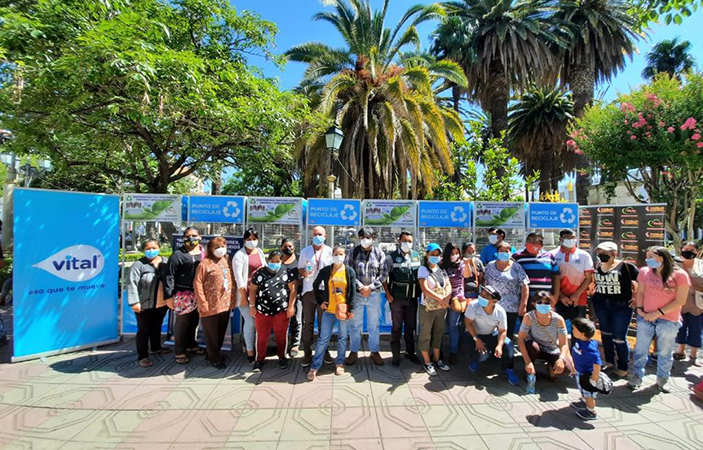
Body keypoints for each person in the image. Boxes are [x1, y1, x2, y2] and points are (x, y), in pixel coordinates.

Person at [628, 246, 690, 393]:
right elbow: (641, 292)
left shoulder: (680, 275)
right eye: (647, 256)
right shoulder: (644, 272)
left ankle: (662, 379)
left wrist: (658, 313)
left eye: (651, 256)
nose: (648, 259)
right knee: (641, 350)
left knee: (664, 351)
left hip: (668, 319)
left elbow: (680, 300)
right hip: (645, 317)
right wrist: (640, 310)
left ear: (662, 257)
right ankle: (637, 376)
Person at [307, 246, 357, 380]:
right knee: (323, 338)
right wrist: (320, 301)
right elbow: (315, 285)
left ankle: (339, 362)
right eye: (336, 254)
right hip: (329, 310)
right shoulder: (326, 270)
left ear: (345, 256)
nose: (338, 256)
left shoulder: (349, 271)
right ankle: (315, 366)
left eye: (341, 254)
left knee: (342, 337)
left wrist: (351, 309)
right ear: (332, 255)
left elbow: (352, 290)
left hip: (343, 310)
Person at [591, 242, 639, 379]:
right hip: (601, 303)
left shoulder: (627, 267)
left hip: (621, 306)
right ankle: (609, 361)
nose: (601, 255)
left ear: (614, 253)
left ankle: (623, 366)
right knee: (605, 333)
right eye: (599, 252)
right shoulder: (597, 266)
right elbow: (593, 280)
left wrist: (636, 298)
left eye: (604, 253)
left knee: (618, 337)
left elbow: (640, 282)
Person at [346, 227, 389, 366]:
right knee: (354, 325)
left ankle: (374, 351)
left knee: (373, 325)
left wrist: (370, 288)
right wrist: (360, 287)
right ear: (359, 238)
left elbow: (383, 274)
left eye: (368, 237)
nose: (365, 239)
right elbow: (348, 272)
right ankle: (353, 351)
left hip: (374, 294)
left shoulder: (380, 253)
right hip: (357, 294)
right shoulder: (353, 252)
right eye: (362, 237)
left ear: (374, 238)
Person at [249, 250, 297, 372]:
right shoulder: (260, 273)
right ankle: (259, 360)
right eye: (272, 261)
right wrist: (252, 306)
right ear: (268, 260)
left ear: (281, 261)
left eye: (277, 261)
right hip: (262, 312)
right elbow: (253, 289)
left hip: (281, 311)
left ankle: (282, 357)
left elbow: (293, 290)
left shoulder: (287, 272)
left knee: (281, 336)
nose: (274, 263)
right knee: (261, 336)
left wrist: (291, 306)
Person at [518, 291, 574, 394]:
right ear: (534, 304)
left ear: (552, 304)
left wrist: (561, 359)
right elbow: (520, 339)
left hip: (552, 349)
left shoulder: (558, 319)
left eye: (547, 303)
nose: (543, 305)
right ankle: (530, 368)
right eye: (539, 302)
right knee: (530, 346)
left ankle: (550, 367)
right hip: (536, 347)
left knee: (566, 368)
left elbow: (564, 343)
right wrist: (527, 362)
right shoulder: (529, 317)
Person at [127, 239, 171, 367]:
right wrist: (134, 302)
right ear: (143, 250)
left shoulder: (166, 262)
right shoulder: (139, 264)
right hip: (143, 304)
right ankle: (143, 356)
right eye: (148, 248)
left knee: (157, 325)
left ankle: (156, 347)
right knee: (143, 329)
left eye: (154, 248)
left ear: (159, 248)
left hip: (161, 302)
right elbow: (132, 284)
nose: (151, 251)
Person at [464, 285, 520, 386]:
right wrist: (476, 338)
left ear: (494, 301)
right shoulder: (473, 305)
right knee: (482, 355)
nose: (482, 295)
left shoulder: (500, 311)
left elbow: (502, 331)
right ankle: (476, 360)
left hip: (491, 334)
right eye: (482, 292)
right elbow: (468, 322)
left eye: (486, 295)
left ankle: (508, 370)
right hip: (474, 335)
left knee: (508, 344)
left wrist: (499, 345)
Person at [165, 227, 206, 364]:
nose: (191, 238)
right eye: (188, 236)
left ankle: (191, 345)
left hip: (198, 294)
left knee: (194, 321)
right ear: (183, 238)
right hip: (182, 294)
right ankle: (180, 351)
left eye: (194, 235)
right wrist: (169, 296)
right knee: (182, 324)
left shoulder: (203, 253)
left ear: (200, 237)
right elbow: (169, 276)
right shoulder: (177, 255)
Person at [194, 237, 235, 369]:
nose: (221, 249)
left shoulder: (226, 260)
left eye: (223, 246)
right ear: (211, 249)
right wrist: (202, 302)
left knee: (221, 331)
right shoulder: (204, 264)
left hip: (225, 303)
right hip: (210, 305)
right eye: (217, 247)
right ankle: (213, 358)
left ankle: (215, 353)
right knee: (211, 333)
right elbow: (197, 283)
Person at [384, 231, 422, 367]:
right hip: (397, 299)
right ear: (399, 241)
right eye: (405, 241)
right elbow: (383, 277)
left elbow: (420, 277)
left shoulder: (417, 256)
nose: (407, 243)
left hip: (412, 299)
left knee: (411, 327)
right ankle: (395, 355)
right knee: (396, 328)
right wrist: (387, 293)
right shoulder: (391, 257)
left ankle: (410, 353)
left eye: (410, 241)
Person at [298, 226, 334, 367]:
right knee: (308, 324)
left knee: (323, 325)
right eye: (315, 234)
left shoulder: (330, 252)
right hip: (308, 293)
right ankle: (307, 352)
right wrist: (304, 273)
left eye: (320, 234)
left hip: (323, 294)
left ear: (325, 236)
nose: (317, 236)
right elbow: (300, 268)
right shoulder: (305, 251)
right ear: (311, 236)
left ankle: (324, 351)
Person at [232, 228, 266, 364]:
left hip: (261, 294)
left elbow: (264, 268)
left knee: (259, 322)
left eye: (254, 239)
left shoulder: (260, 252)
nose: (252, 242)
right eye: (249, 240)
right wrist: (243, 297)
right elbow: (238, 277)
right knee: (250, 322)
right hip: (245, 294)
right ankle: (250, 350)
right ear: (244, 241)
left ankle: (259, 348)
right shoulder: (239, 255)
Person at [417, 243, 452, 376]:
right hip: (428, 307)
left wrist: (446, 298)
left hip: (441, 307)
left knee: (439, 332)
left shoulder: (441, 269)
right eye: (432, 255)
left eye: (437, 255)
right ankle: (427, 362)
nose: (435, 257)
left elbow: (448, 285)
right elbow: (424, 288)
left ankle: (437, 359)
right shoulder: (423, 269)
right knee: (425, 334)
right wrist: (441, 299)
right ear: (427, 255)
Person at [484, 241, 530, 340]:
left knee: (507, 333)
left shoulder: (516, 267)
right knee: (491, 333)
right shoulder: (490, 266)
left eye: (507, 251)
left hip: (511, 307)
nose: (504, 253)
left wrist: (523, 304)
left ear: (510, 252)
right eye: (501, 251)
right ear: (497, 252)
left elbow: (524, 285)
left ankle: (505, 352)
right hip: (492, 306)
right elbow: (485, 284)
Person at [549, 229, 594, 322]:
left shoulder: (584, 255)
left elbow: (589, 278)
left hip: (578, 298)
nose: (570, 240)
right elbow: (549, 278)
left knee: (578, 328)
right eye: (567, 238)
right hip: (557, 297)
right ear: (561, 239)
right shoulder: (551, 254)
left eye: (572, 237)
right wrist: (561, 296)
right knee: (555, 328)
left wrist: (577, 294)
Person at [441, 242, 472, 365]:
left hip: (457, 299)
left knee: (453, 325)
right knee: (441, 326)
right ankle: (439, 351)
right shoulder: (442, 265)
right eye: (452, 253)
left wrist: (467, 264)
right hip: (443, 299)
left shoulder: (461, 265)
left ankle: (454, 352)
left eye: (456, 253)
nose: (454, 255)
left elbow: (467, 275)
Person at [512, 233, 561, 307]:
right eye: (529, 241)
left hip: (545, 299)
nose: (532, 244)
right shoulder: (517, 256)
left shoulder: (549, 256)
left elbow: (556, 276)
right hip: (524, 299)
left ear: (541, 245)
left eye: (535, 242)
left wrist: (555, 296)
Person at [675, 242, 703, 366]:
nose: (688, 251)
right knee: (680, 328)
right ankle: (680, 351)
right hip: (679, 303)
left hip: (697, 303)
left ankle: (694, 355)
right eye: (686, 249)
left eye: (691, 249)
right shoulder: (675, 264)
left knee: (696, 329)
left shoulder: (701, 265)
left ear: (697, 252)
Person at [570, 318, 603, 421]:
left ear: (582, 334)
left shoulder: (589, 348)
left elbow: (597, 363)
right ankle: (584, 402)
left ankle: (591, 411)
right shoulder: (581, 341)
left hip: (587, 375)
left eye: (574, 329)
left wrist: (594, 377)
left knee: (588, 394)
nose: (572, 331)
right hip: (579, 372)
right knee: (583, 391)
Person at [280, 238, 302, 357]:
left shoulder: (299, 259)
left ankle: (295, 344)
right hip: (281, 295)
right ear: (281, 248)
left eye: (290, 246)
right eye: (285, 246)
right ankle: (282, 344)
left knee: (296, 320)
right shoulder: (278, 260)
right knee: (282, 320)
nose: (288, 249)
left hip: (297, 294)